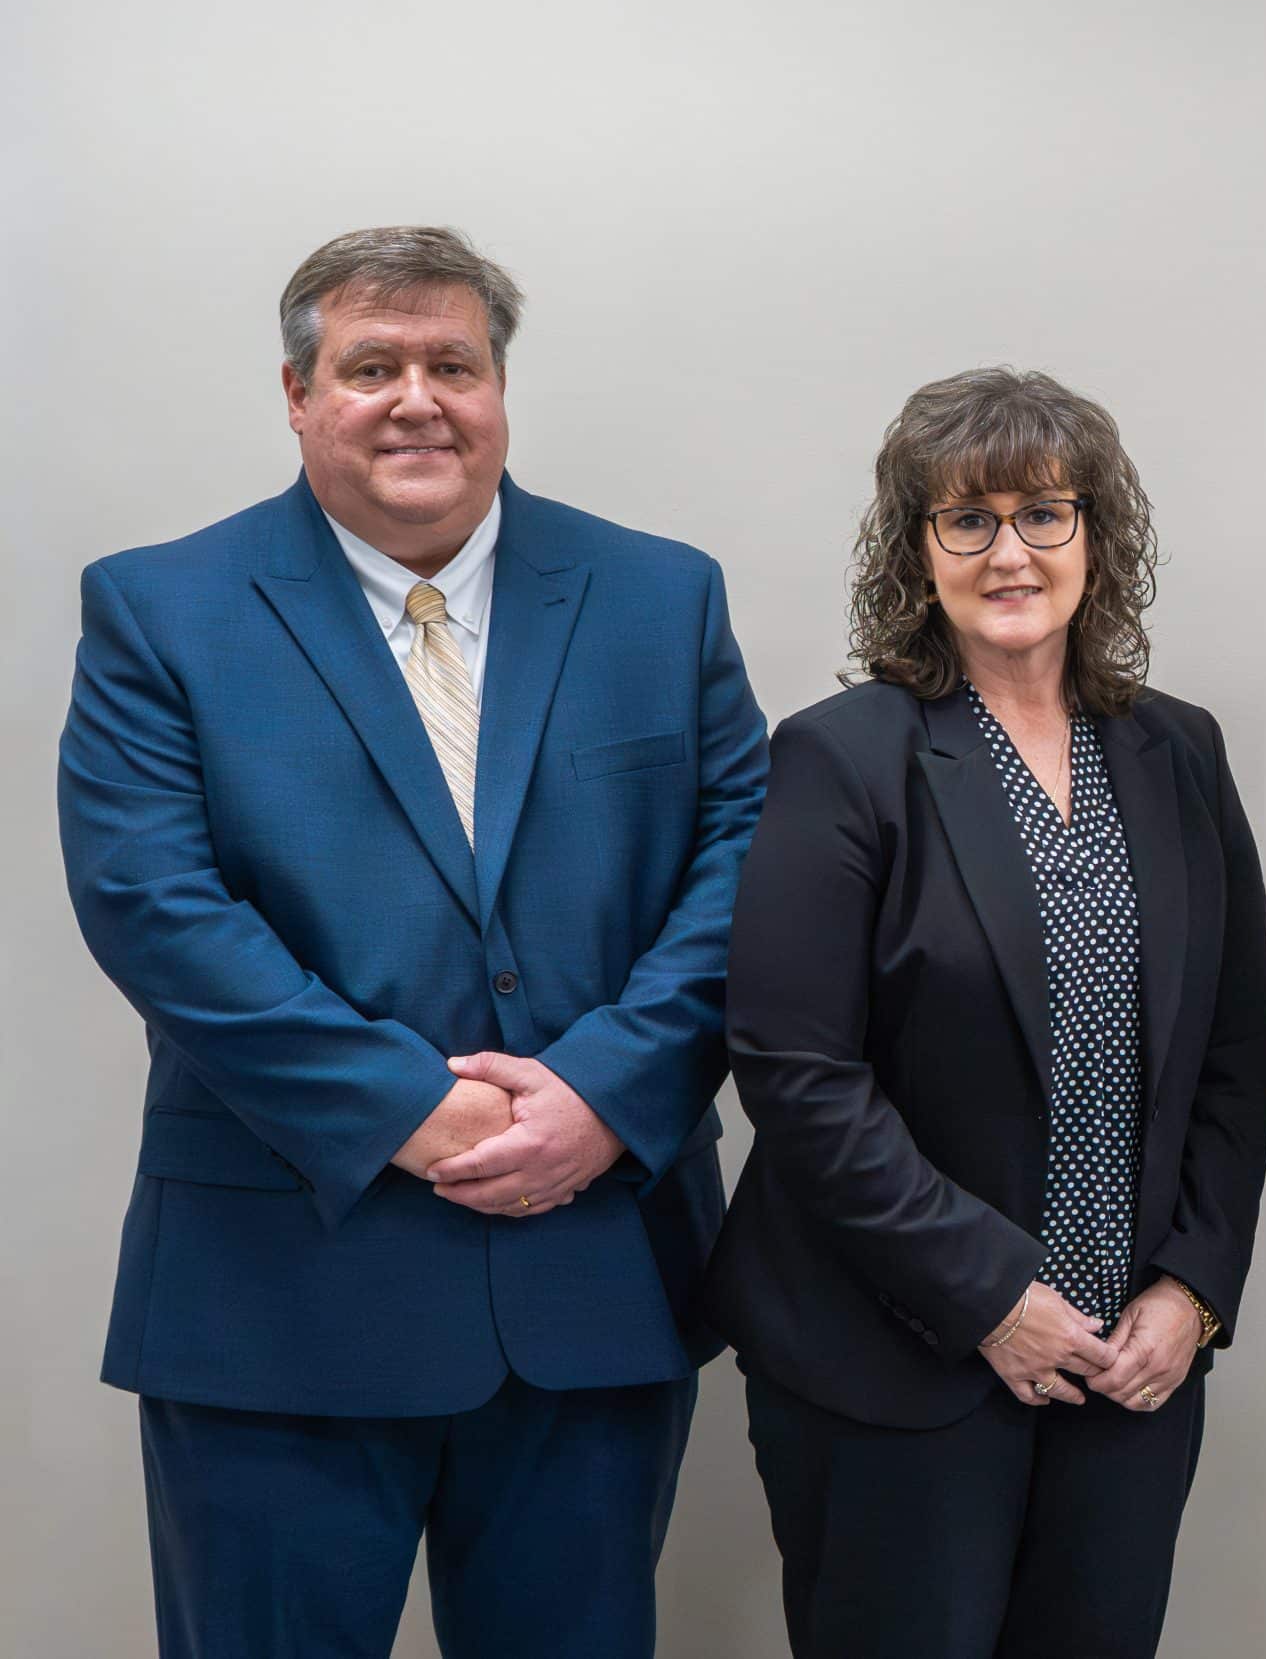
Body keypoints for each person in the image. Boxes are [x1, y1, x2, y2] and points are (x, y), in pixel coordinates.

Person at [56, 225, 767, 1657]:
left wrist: (605, 1098)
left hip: (592, 1280)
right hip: (277, 1304)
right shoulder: (160, 607)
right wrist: (413, 1112)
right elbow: (154, 906)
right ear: (298, 393)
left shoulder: (659, 596)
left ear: (500, 387)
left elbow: (746, 868)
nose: (416, 399)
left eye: (454, 363)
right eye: (370, 366)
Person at [704, 367, 1266, 1659]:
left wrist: (1193, 1286)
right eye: (966, 521)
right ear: (918, 552)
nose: (1009, 551)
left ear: (1098, 536)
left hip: (1126, 1367)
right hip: (893, 1362)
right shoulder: (845, 756)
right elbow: (796, 1071)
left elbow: (1236, 1055)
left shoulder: (1179, 751)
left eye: (1043, 514)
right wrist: (987, 1296)